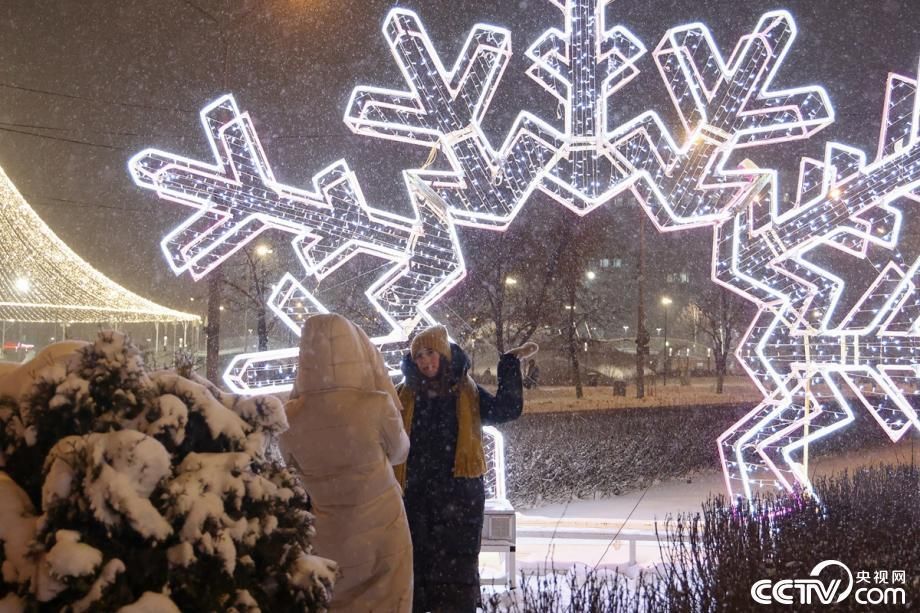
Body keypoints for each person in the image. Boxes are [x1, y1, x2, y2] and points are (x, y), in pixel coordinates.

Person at [395, 325, 536, 612]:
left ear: (444, 353)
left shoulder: (467, 392)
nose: (425, 361)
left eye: (430, 352)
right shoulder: (403, 394)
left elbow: (506, 410)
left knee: (457, 571)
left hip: (459, 497)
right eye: (419, 355)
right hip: (415, 497)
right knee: (415, 568)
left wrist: (508, 365)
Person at [279, 313, 413, 612]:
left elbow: (292, 468)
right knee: (390, 600)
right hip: (384, 528)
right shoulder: (376, 404)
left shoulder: (290, 416)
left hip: (328, 534)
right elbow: (400, 452)